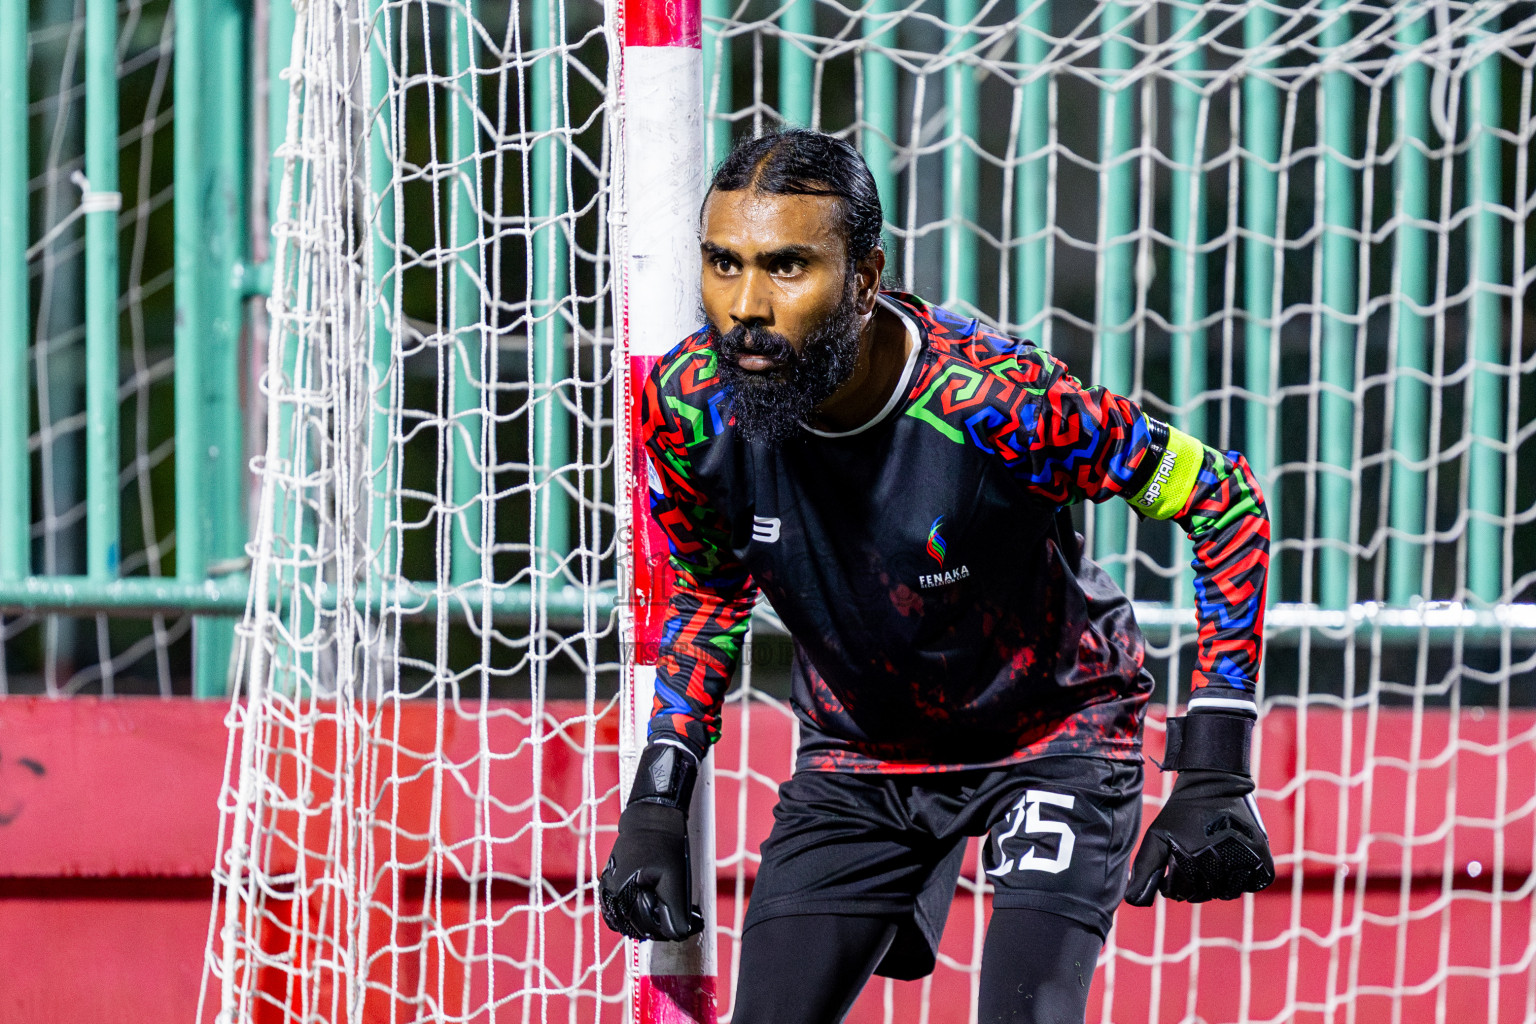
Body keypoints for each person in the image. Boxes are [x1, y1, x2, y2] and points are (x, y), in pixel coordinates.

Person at [599, 128, 1274, 1024]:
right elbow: (711, 589)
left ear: (867, 278)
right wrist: (658, 797)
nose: (747, 305)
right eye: (724, 264)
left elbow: (1222, 498)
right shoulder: (689, 405)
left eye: (788, 267)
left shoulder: (1001, 402)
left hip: (1053, 736)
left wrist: (1215, 766)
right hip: (862, 754)